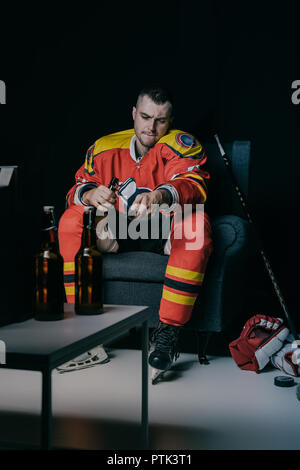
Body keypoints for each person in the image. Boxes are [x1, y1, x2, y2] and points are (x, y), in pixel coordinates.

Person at [58, 86, 213, 382]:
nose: (151, 127)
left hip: (163, 227)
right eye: (145, 117)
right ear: (133, 113)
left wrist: (160, 196)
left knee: (196, 226)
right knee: (70, 221)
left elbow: (194, 184)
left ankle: (166, 336)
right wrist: (90, 194)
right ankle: (83, 332)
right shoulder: (104, 147)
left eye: (161, 120)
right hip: (116, 227)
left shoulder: (182, 144)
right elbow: (75, 190)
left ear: (171, 121)